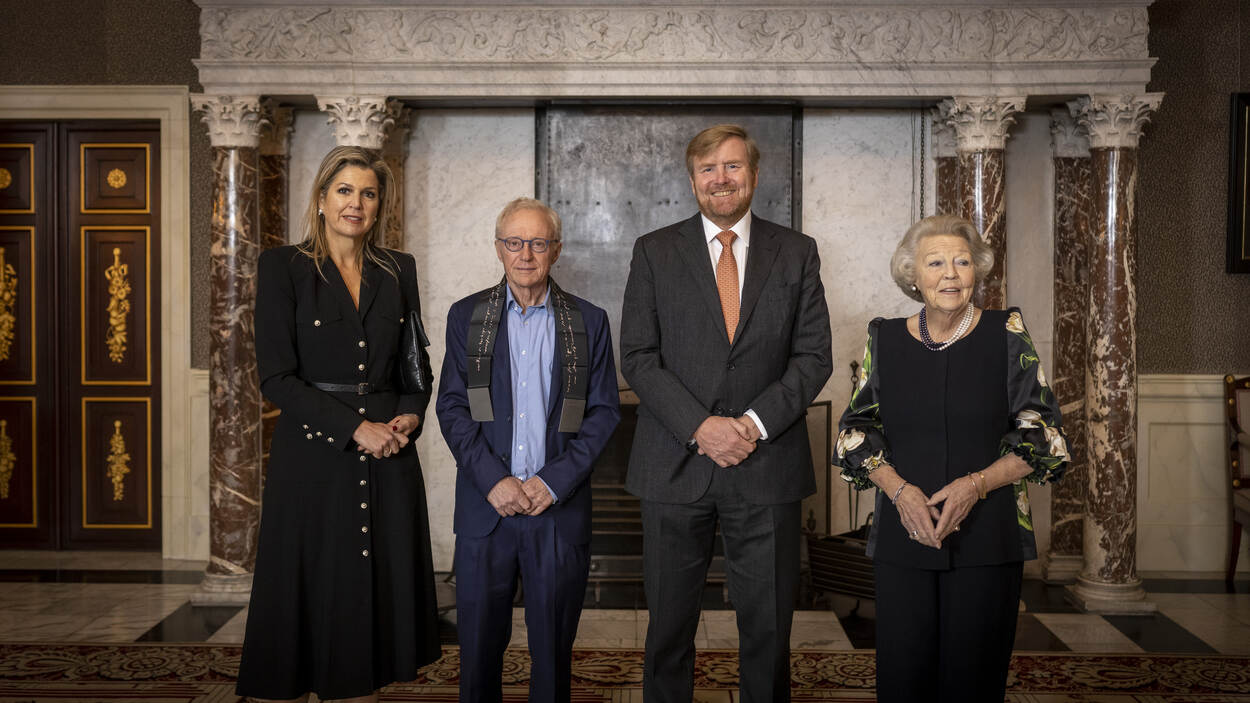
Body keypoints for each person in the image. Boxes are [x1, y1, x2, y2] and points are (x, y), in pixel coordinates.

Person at [620, 124, 833, 703]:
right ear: (692, 181)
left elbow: (814, 356)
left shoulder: (797, 251)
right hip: (674, 464)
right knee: (668, 626)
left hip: (768, 464)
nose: (721, 178)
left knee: (768, 627)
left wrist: (752, 426)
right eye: (708, 169)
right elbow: (637, 356)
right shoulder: (654, 250)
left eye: (732, 166)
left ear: (754, 176)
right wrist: (701, 427)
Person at [835, 214, 1070, 703]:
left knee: (973, 681)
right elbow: (855, 433)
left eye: (962, 263)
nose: (950, 274)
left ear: (976, 272)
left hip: (988, 536)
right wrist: (900, 492)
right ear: (913, 276)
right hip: (905, 531)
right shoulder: (884, 338)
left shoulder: (1006, 333)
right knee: (904, 680)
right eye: (935, 263)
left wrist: (974, 486)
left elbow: (1044, 435)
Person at [236, 145, 441, 703]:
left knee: (374, 600)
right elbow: (277, 378)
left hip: (390, 455)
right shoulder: (282, 267)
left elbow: (415, 367)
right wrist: (355, 428)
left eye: (368, 194)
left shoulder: (399, 268)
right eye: (345, 191)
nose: (356, 203)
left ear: (380, 205)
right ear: (322, 199)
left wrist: (411, 413)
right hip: (313, 459)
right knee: (311, 585)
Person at [436, 197, 621, 703]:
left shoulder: (589, 321)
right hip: (486, 511)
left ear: (555, 250)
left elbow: (604, 413)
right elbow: (452, 407)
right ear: (498, 248)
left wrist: (552, 482)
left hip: (556, 513)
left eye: (538, 243)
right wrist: (493, 480)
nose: (525, 254)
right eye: (514, 242)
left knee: (553, 655)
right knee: (477, 654)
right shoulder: (466, 316)